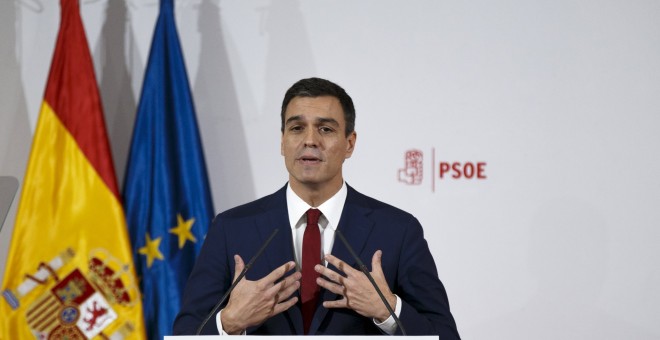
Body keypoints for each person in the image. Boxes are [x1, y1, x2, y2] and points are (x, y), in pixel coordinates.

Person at [173, 77, 460, 338]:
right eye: (297, 128)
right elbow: (186, 332)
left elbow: (445, 335)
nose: (310, 140)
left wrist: (387, 311)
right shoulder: (232, 228)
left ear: (350, 143)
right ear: (283, 141)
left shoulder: (398, 230)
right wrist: (230, 322)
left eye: (325, 128)